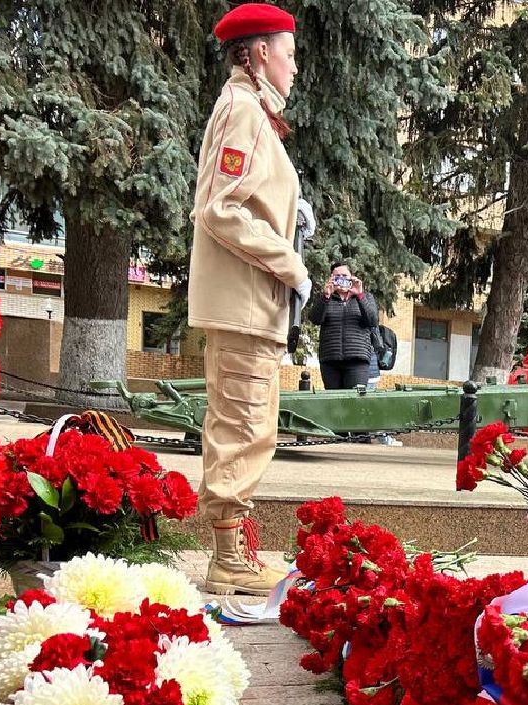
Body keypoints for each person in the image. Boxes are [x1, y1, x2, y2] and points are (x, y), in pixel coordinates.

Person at [187, 3, 305, 595]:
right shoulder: (243, 111)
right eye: (288, 53)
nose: (294, 66)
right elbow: (219, 209)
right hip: (246, 303)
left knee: (246, 420)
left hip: (249, 303)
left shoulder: (251, 109)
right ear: (259, 53)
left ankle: (232, 549)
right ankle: (228, 559)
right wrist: (291, 264)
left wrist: (290, 216)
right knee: (245, 423)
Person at [306, 263, 379, 390]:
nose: (341, 279)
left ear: (352, 277)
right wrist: (326, 296)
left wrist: (360, 295)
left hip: (357, 360)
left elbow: (372, 320)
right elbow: (315, 319)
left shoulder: (365, 297)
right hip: (330, 360)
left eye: (345, 276)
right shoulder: (326, 298)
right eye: (337, 276)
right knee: (334, 404)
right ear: (331, 278)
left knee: (354, 402)